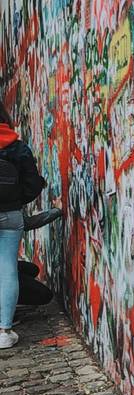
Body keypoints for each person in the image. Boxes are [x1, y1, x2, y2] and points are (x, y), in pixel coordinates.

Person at [0, 101, 46, 348]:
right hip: (11, 215)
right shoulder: (17, 147)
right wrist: (17, 201)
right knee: (7, 269)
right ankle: (5, 331)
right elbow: (32, 184)